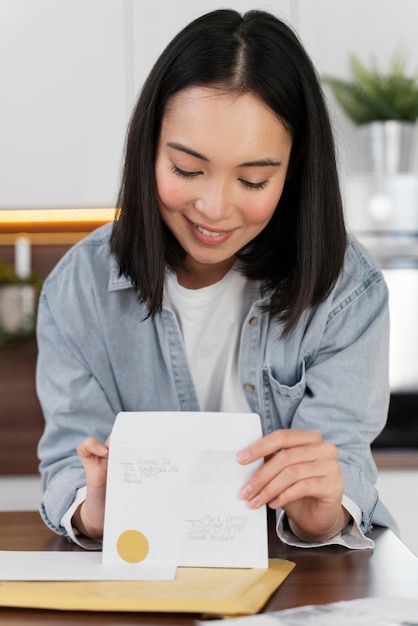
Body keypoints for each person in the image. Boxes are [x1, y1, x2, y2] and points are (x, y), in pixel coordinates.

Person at [36, 8, 397, 550]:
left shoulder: (346, 290)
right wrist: (95, 510)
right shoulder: (78, 290)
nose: (215, 208)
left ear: (294, 171)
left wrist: (320, 509)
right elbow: (68, 462)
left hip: (293, 580)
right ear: (148, 149)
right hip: (148, 572)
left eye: (253, 179)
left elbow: (341, 475)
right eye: (187, 170)